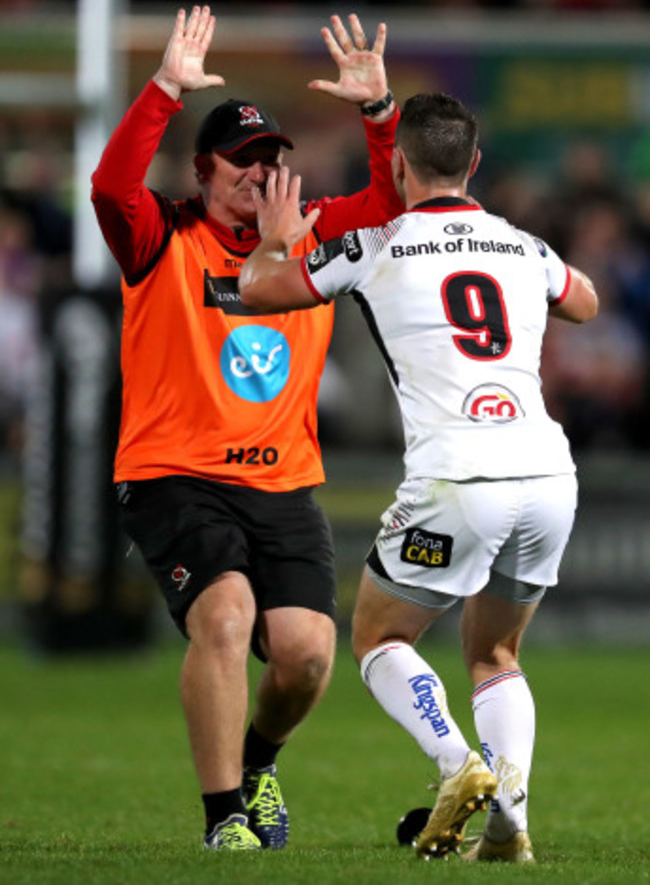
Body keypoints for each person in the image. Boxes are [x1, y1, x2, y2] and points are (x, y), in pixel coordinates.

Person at [238, 92, 598, 862]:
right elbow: (587, 301)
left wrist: (273, 242)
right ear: (473, 164)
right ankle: (507, 826)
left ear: (398, 164)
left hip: (458, 477)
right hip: (546, 474)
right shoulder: (522, 245)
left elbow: (261, 292)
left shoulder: (378, 242)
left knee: (377, 635)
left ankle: (455, 762)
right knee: (496, 655)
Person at [91, 5, 402, 852]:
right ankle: (224, 814)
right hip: (173, 475)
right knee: (224, 619)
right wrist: (162, 89)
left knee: (304, 657)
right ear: (202, 171)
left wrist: (379, 116)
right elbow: (109, 189)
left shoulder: (313, 237)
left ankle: (259, 762)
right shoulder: (163, 235)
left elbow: (395, 199)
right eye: (242, 160)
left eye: (272, 160)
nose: (261, 174)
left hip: (282, 480)